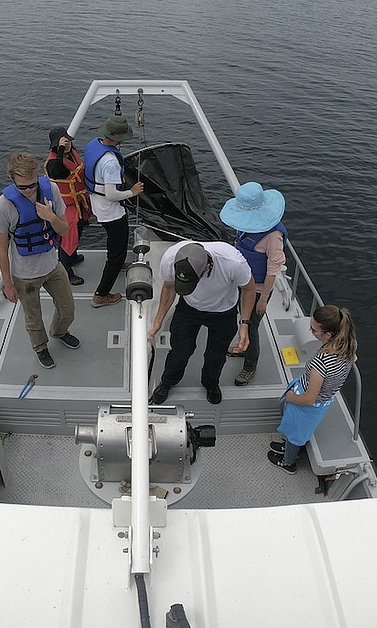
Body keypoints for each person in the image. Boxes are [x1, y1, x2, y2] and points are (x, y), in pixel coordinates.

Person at [0, 152, 79, 369]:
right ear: (13, 181)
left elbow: (64, 229)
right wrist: (8, 285)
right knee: (33, 318)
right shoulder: (3, 207)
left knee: (68, 308)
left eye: (32, 185)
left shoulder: (51, 191)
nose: (29, 191)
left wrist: (51, 217)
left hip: (52, 264)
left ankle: (59, 331)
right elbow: (1, 249)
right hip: (25, 274)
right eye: (23, 187)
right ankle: (40, 347)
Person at [148, 241, 257, 405]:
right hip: (189, 308)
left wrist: (244, 324)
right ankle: (168, 382)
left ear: (206, 267)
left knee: (216, 355)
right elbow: (169, 287)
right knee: (179, 351)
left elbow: (249, 288)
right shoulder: (170, 257)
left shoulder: (233, 262)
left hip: (223, 312)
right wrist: (158, 318)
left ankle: (211, 383)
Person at [269, 305, 357, 474]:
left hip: (306, 404)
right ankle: (291, 447)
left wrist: (290, 397)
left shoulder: (321, 364)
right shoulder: (350, 345)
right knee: (297, 432)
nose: (311, 331)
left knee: (295, 433)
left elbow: (309, 399)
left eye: (314, 330)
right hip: (324, 402)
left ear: (328, 335)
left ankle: (288, 462)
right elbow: (354, 358)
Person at [219, 182, 287, 385]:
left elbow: (273, 269)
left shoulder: (274, 237)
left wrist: (263, 299)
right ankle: (244, 346)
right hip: (240, 283)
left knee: (252, 328)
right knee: (239, 319)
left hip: (257, 289)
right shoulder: (244, 228)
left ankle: (250, 365)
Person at [83, 115, 145, 308]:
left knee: (113, 242)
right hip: (111, 212)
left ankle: (117, 263)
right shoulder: (110, 162)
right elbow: (111, 194)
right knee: (117, 251)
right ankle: (101, 294)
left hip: (96, 203)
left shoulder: (94, 144)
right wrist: (132, 192)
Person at [44, 127, 92, 286]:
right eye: (64, 142)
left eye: (69, 141)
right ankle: (66, 269)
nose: (69, 144)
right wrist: (60, 150)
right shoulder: (53, 162)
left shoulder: (71, 153)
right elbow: (59, 172)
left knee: (78, 232)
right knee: (68, 238)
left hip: (79, 202)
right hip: (66, 207)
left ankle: (72, 257)